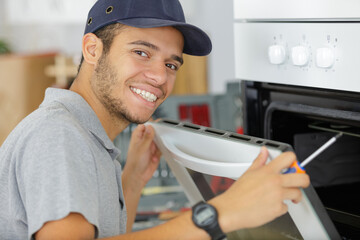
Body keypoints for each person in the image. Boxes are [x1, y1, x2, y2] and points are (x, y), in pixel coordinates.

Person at [0, 0, 310, 239]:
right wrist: (221, 214)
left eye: (171, 64)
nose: (160, 76)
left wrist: (131, 182)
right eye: (142, 53)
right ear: (93, 49)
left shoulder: (84, 136)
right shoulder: (60, 135)